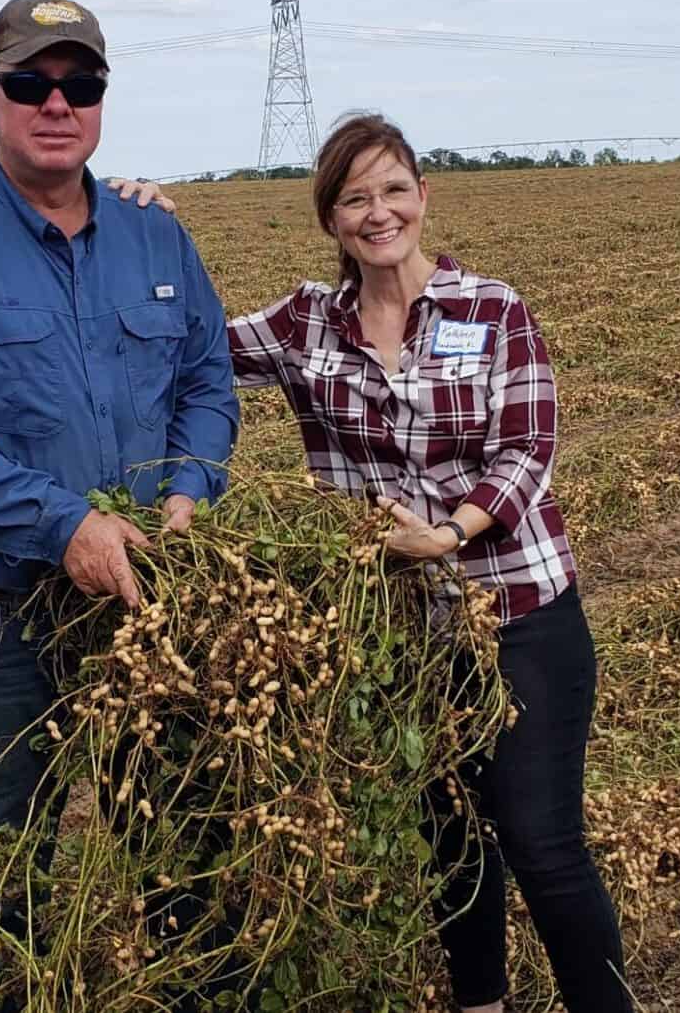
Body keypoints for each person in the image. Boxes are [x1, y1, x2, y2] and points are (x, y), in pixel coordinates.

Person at [117, 112, 629, 1011]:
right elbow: (192, 347)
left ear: (423, 198)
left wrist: (452, 531)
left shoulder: (490, 307)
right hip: (402, 633)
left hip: (517, 611)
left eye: (393, 189)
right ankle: (481, 1003)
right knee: (452, 836)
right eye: (354, 198)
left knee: (542, 841)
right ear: (330, 220)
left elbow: (527, 445)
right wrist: (154, 231)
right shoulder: (304, 323)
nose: (377, 211)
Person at [0, 0, 239, 974]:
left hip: (147, 591)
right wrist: (63, 525)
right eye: (30, 81)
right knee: (4, 876)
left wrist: (191, 486)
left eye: (80, 83)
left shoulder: (157, 238)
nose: (55, 102)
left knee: (185, 848)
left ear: (102, 98)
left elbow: (205, 379)